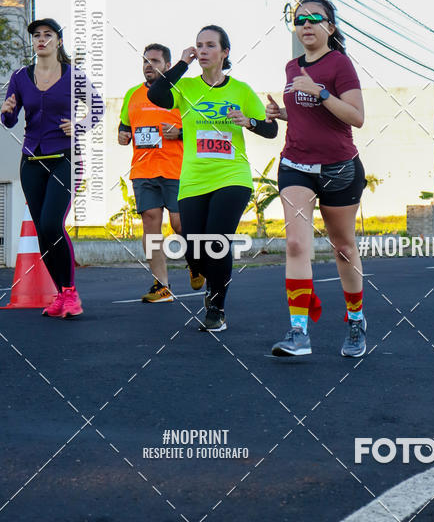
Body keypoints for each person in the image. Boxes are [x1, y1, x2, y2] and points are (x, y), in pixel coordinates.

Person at [148, 25, 277, 331]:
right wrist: (181, 64)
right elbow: (156, 94)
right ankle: (202, 271)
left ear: (225, 52)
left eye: (209, 45)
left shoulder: (241, 91)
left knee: (217, 241)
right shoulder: (187, 88)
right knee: (194, 245)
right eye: (198, 45)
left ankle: (216, 308)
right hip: (193, 178)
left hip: (232, 176)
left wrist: (250, 121)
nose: (203, 50)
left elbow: (271, 130)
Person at [266, 0, 367, 359]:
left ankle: (355, 319)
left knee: (343, 247)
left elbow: (355, 117)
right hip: (295, 164)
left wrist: (321, 92)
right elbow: (309, 118)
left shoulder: (340, 64)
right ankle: (299, 332)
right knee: (296, 244)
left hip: (339, 167)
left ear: (330, 27)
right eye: (299, 19)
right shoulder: (292, 67)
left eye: (314, 19)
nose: (306, 25)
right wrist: (281, 114)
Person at [0, 18, 103, 318]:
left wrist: (79, 124)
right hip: (31, 160)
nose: (41, 40)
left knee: (50, 224)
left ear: (58, 41)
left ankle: (70, 294)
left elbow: (97, 106)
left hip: (65, 159)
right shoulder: (20, 77)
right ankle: (60, 294)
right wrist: (5, 113)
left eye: (47, 35)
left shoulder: (74, 76)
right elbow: (10, 118)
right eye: (36, 36)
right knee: (44, 235)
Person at [119, 44, 184, 303]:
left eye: (155, 61)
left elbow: (200, 129)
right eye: (146, 60)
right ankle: (162, 286)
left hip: (176, 169)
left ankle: (197, 263)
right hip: (144, 169)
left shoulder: (180, 93)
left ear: (167, 66)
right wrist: (123, 135)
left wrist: (180, 134)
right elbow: (124, 128)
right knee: (151, 223)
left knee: (180, 224)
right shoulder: (132, 95)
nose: (149, 65)